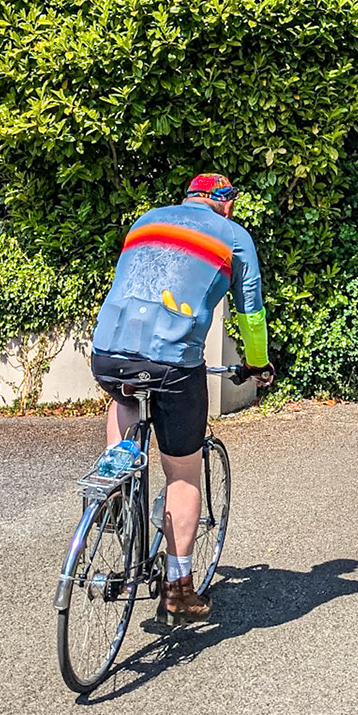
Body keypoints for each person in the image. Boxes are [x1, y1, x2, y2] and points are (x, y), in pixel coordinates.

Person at [90, 173, 273, 624]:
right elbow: (250, 311)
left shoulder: (146, 222)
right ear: (226, 204)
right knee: (183, 471)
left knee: (125, 397)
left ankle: (114, 481)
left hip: (108, 354)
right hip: (171, 363)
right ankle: (178, 590)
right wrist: (256, 364)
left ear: (189, 197)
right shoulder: (233, 236)